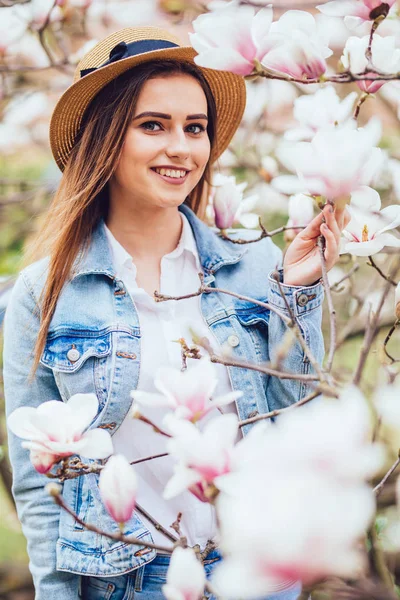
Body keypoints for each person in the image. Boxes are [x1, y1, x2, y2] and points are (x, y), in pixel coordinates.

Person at [3, 26, 350, 600]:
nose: (181, 148)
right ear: (106, 139)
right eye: (153, 125)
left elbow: (296, 427)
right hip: (122, 582)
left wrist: (297, 294)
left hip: (253, 575)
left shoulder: (252, 265)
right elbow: (40, 489)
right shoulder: (45, 293)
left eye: (195, 128)